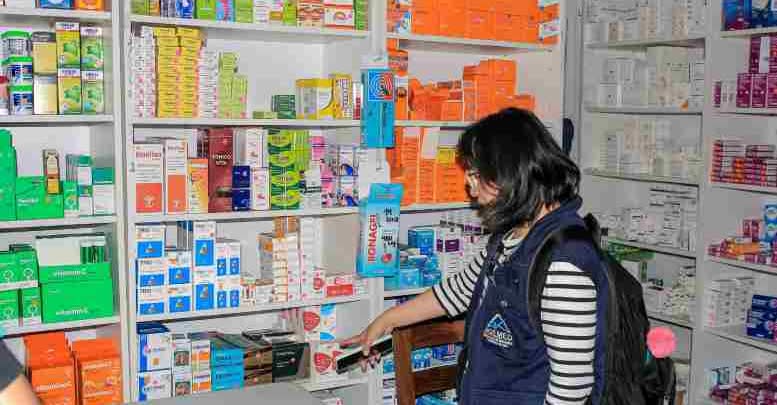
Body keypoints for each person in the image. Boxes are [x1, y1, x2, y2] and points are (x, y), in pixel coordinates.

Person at [345, 108, 609, 405]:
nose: (469, 187)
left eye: (475, 175)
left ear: (509, 172)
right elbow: (459, 291)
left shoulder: (564, 259)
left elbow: (572, 386)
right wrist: (387, 320)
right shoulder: (513, 235)